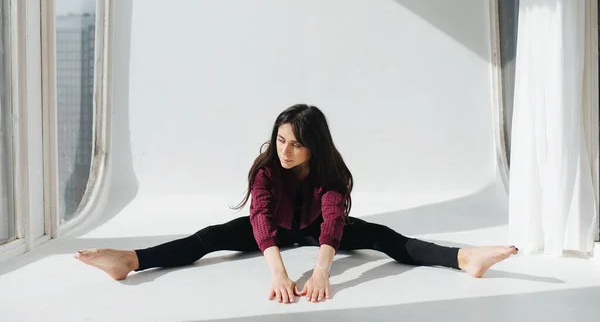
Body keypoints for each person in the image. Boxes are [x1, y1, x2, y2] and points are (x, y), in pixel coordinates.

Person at [75, 104, 518, 303]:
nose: (285, 150)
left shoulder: (332, 173)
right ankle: (129, 260)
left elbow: (331, 223)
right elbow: (262, 221)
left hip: (315, 228)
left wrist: (322, 271)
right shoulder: (267, 169)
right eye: (281, 139)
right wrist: (281, 273)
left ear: (314, 147)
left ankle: (465, 258)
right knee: (209, 238)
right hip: (280, 230)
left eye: (296, 145)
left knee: (386, 239)